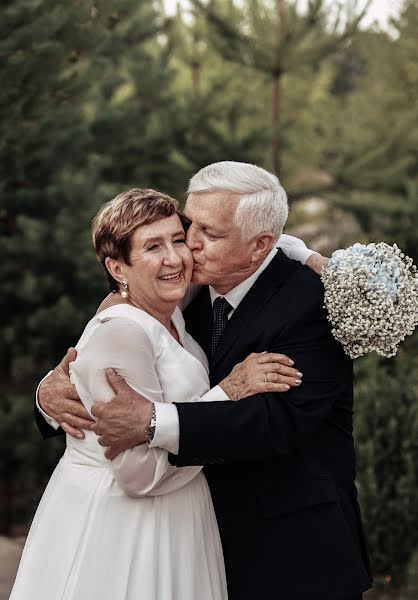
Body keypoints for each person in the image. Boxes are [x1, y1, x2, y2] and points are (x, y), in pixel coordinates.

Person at [37, 162, 372, 600]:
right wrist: (47, 396)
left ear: (259, 247)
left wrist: (154, 422)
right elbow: (109, 346)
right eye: (188, 225)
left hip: (288, 551)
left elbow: (274, 425)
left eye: (207, 234)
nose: (186, 247)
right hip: (182, 536)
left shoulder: (311, 308)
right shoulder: (183, 288)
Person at [13, 188, 301, 600]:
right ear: (117, 267)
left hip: (180, 515)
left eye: (178, 240)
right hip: (128, 527)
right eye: (153, 247)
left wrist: (315, 259)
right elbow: (137, 475)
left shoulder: (173, 310)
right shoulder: (123, 331)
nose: (174, 258)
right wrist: (228, 392)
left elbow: (257, 236)